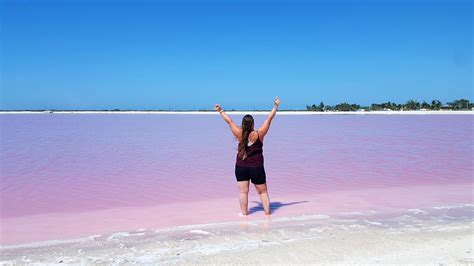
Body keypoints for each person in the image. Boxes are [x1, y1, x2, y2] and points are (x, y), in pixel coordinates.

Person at [214, 97, 280, 216]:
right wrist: (275, 106)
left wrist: (220, 111)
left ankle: (244, 215)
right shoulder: (259, 134)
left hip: (241, 167)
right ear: (253, 124)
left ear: (243, 124)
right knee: (263, 192)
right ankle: (268, 216)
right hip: (257, 168)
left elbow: (229, 121)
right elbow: (269, 119)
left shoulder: (239, 133)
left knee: (243, 192)